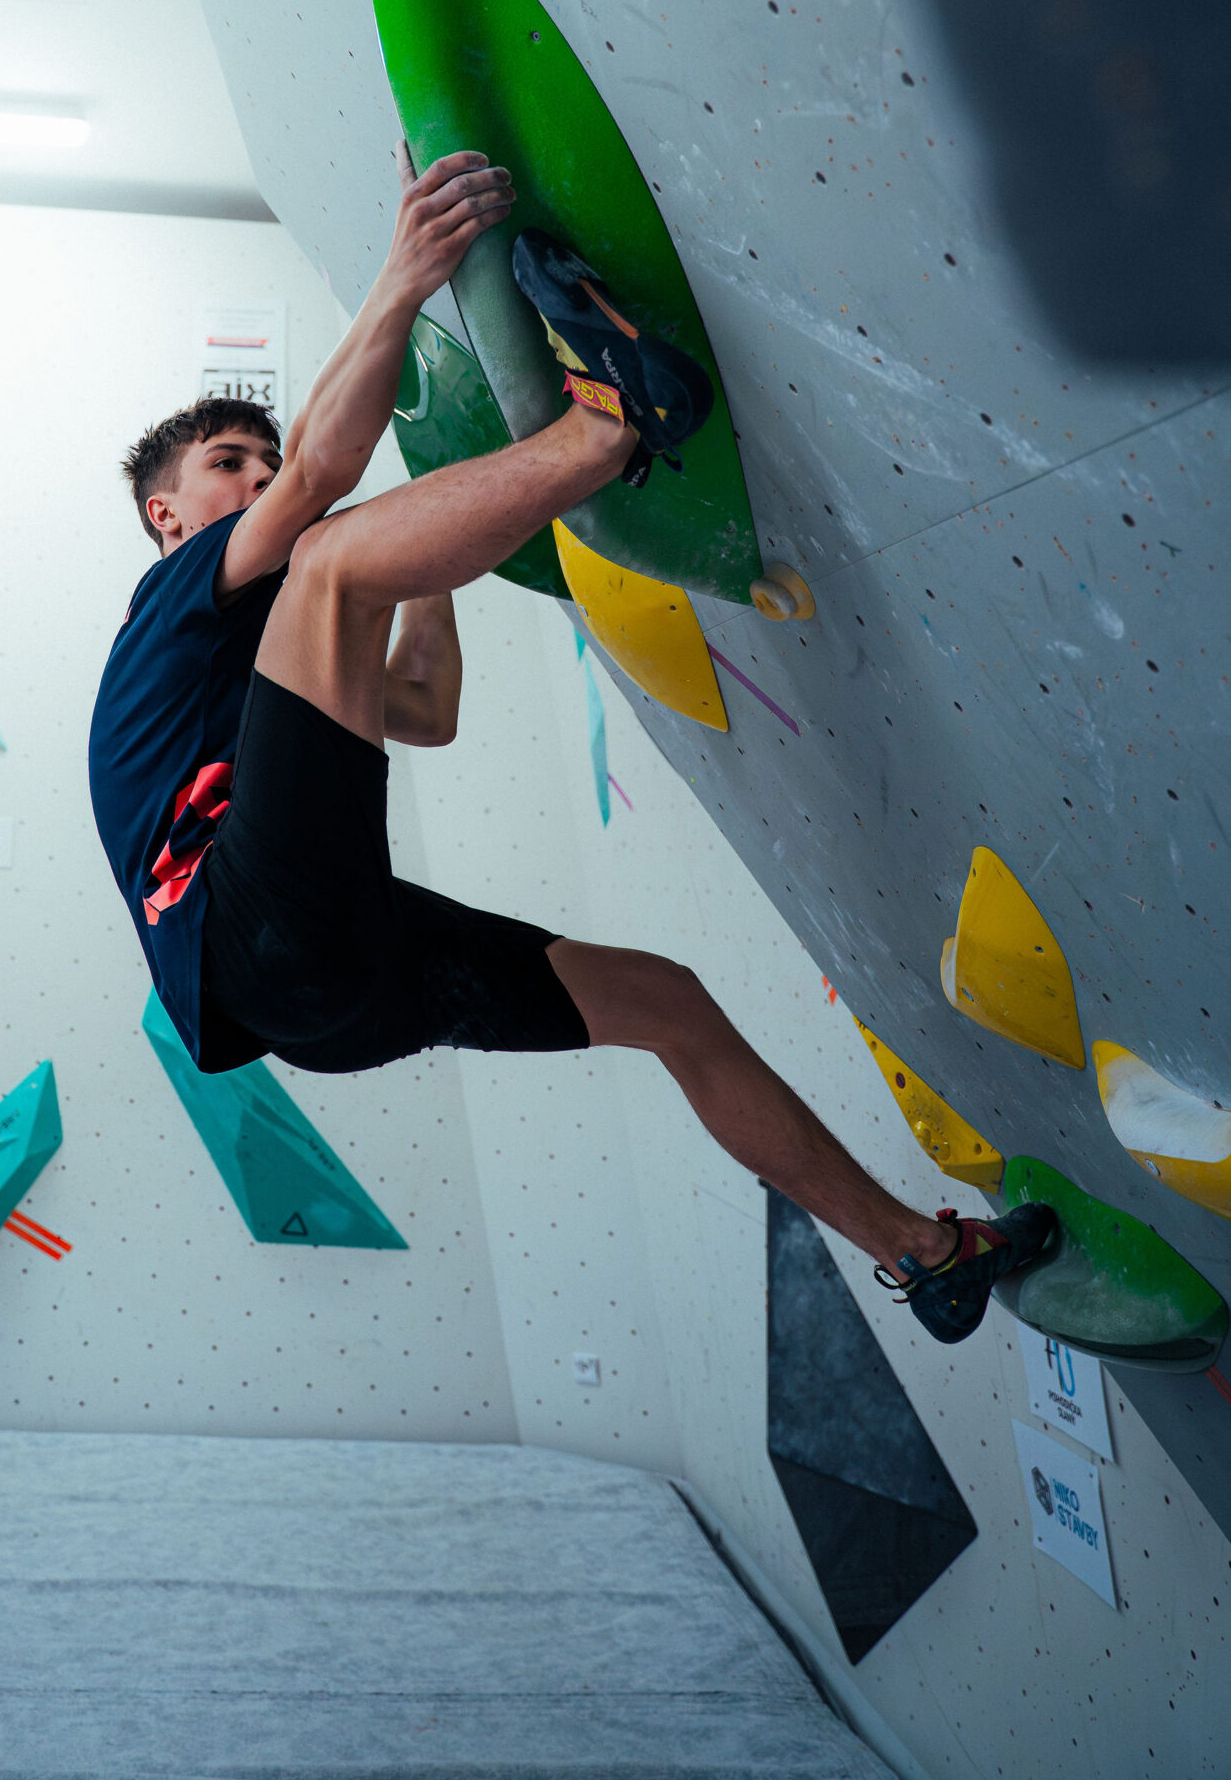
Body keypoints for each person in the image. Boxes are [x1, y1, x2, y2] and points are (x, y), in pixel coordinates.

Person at [89, 145, 1056, 1346]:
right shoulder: (174, 598)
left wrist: (430, 536)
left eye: (262, 459)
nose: (260, 476)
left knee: (669, 1003)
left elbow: (423, 705)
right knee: (332, 555)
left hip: (326, 1001)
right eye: (228, 466)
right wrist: (402, 275)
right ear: (166, 514)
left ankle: (923, 1254)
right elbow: (327, 483)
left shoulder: (256, 661)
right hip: (250, 939)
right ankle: (610, 425)